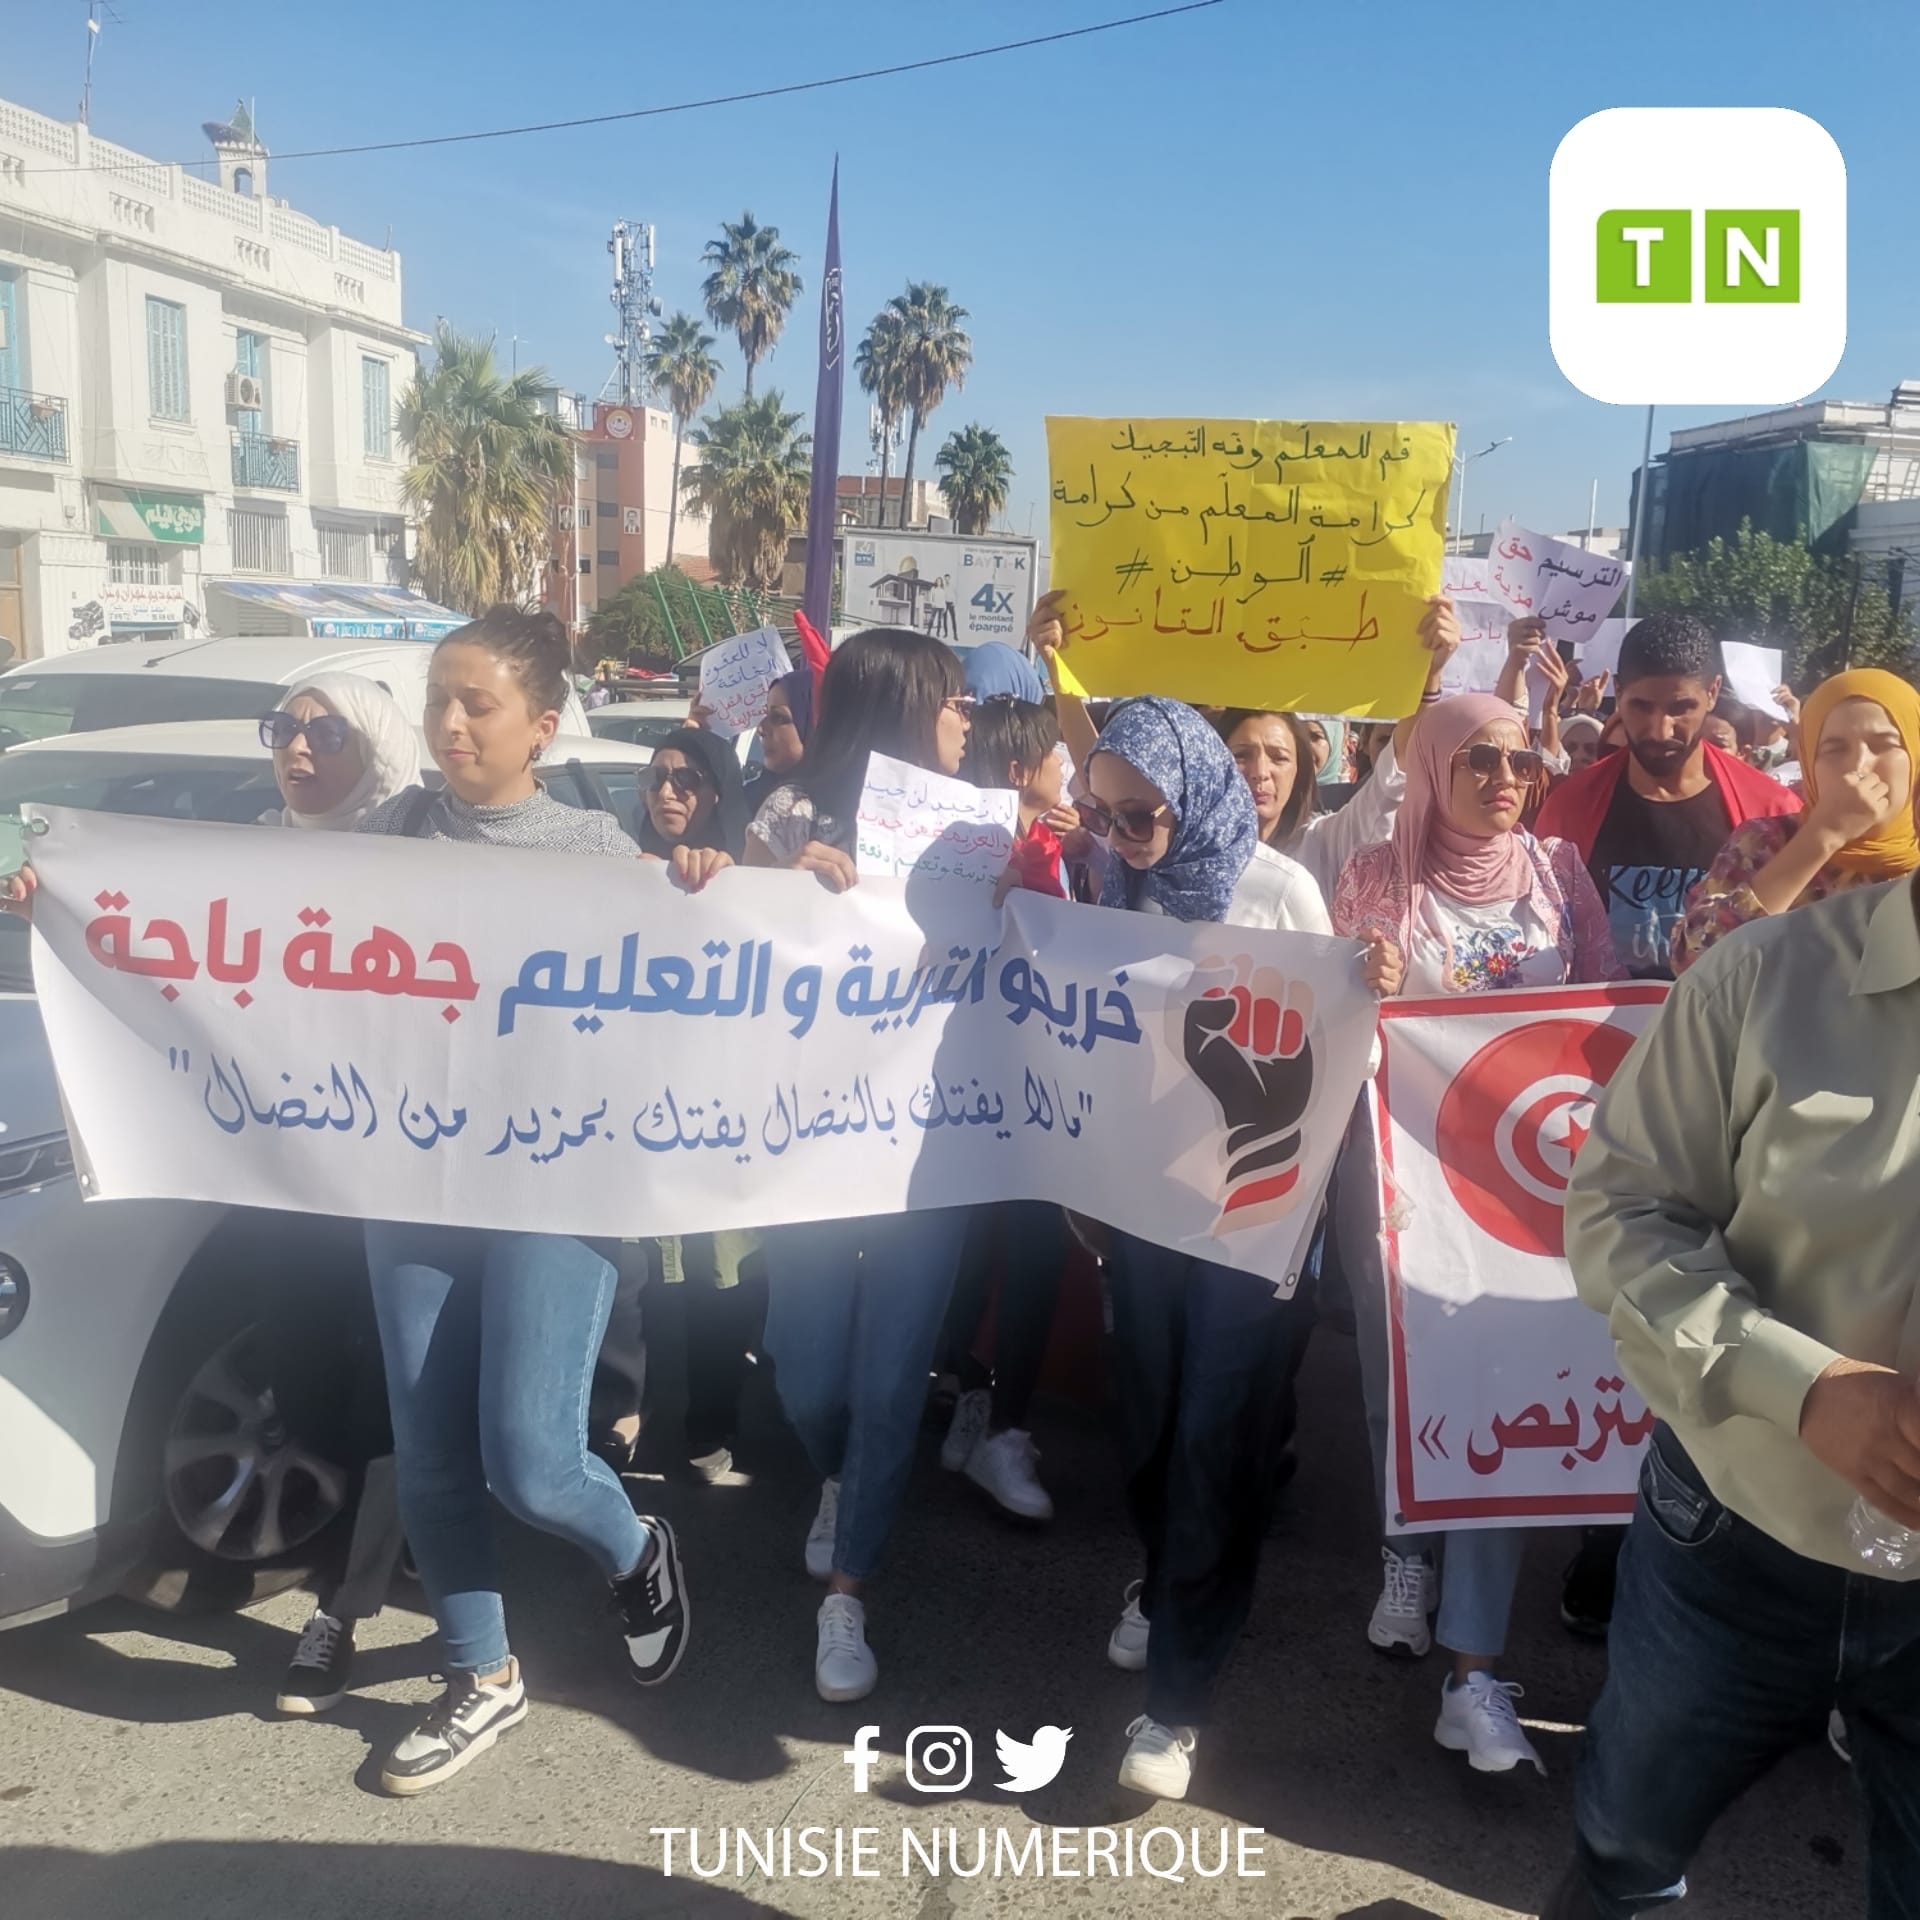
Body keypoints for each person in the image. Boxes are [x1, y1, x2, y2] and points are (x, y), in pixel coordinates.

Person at [1019, 695, 1394, 1801]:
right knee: (1144, 1427)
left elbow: (1339, 1057)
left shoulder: (1278, 890)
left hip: (1251, 1214)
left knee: (1212, 1439)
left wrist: (1368, 988)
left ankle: (1176, 1703)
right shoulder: (1100, 884)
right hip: (1140, 1211)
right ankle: (1164, 1573)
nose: (1123, 837)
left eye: (1141, 818)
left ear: (1197, 798)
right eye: (1106, 814)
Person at [1542, 845, 1920, 1919]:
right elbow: (1621, 1216)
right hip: (1733, 1539)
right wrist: (1804, 1387)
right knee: (1626, 1855)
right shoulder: (1760, 979)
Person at [355, 607, 689, 1795]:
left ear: (542, 727)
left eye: (477, 704)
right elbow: (221, 919)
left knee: (534, 1459)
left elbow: (720, 982)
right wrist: (77, 899)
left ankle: (636, 1545)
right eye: (437, 698)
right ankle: (481, 1675)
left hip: (558, 1181)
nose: (448, 723)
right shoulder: (389, 830)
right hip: (415, 1175)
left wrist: (744, 885)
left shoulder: (598, 855)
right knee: (433, 1450)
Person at [1332, 694, 1621, 1778]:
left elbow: (1599, 1008)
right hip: (1402, 1175)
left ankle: (1473, 1664)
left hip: (1517, 1187)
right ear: (1437, 765)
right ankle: (1405, 1555)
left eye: (1523, 759)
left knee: (1501, 1389)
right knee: (1396, 1379)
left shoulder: (1557, 877)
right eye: (1482, 759)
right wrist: (1368, 979)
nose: (1506, 777)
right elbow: (1335, 1013)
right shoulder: (1380, 874)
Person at [1532, 612, 1797, 1634]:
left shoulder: (1767, 811)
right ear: (1619, 700)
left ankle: (1695, 1531)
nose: (1658, 726)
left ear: (1711, 707)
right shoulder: (1572, 803)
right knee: (1605, 1312)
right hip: (1590, 1098)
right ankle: (1604, 1538)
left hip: (1724, 1106)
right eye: (1640, 706)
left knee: (1710, 1310)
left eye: (1679, 708)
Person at [743, 627, 977, 1703]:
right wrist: (779, 893)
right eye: (952, 700)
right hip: (810, 1152)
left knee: (891, 1377)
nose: (968, 719)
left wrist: (1024, 896)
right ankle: (836, 1472)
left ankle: (850, 1593)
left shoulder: (979, 833)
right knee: (806, 1364)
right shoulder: (786, 819)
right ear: (897, 707)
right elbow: (720, 967)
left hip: (930, 1158)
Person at [240, 678, 421, 1717]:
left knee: (391, 1399)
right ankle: (412, 1533)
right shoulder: (238, 865)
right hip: (282, 1183)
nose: (297, 748)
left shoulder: (411, 868)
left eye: (326, 730)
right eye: (286, 730)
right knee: (308, 1393)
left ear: (376, 749)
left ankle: (340, 1612)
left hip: (393, 1179)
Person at [942, 693, 1076, 1520]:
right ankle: (974, 1394)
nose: (1069, 773)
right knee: (970, 1259)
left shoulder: (1064, 850)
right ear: (1025, 773)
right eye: (1059, 759)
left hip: (1041, 1100)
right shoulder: (972, 855)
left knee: (1028, 1255)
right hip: (967, 1096)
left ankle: (1000, 1423)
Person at [1673, 667, 1920, 975]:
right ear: (1808, 762)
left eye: (1884, 745)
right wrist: (1820, 838)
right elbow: (1694, 961)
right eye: (1834, 749)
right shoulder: (1763, 843)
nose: (1859, 765)